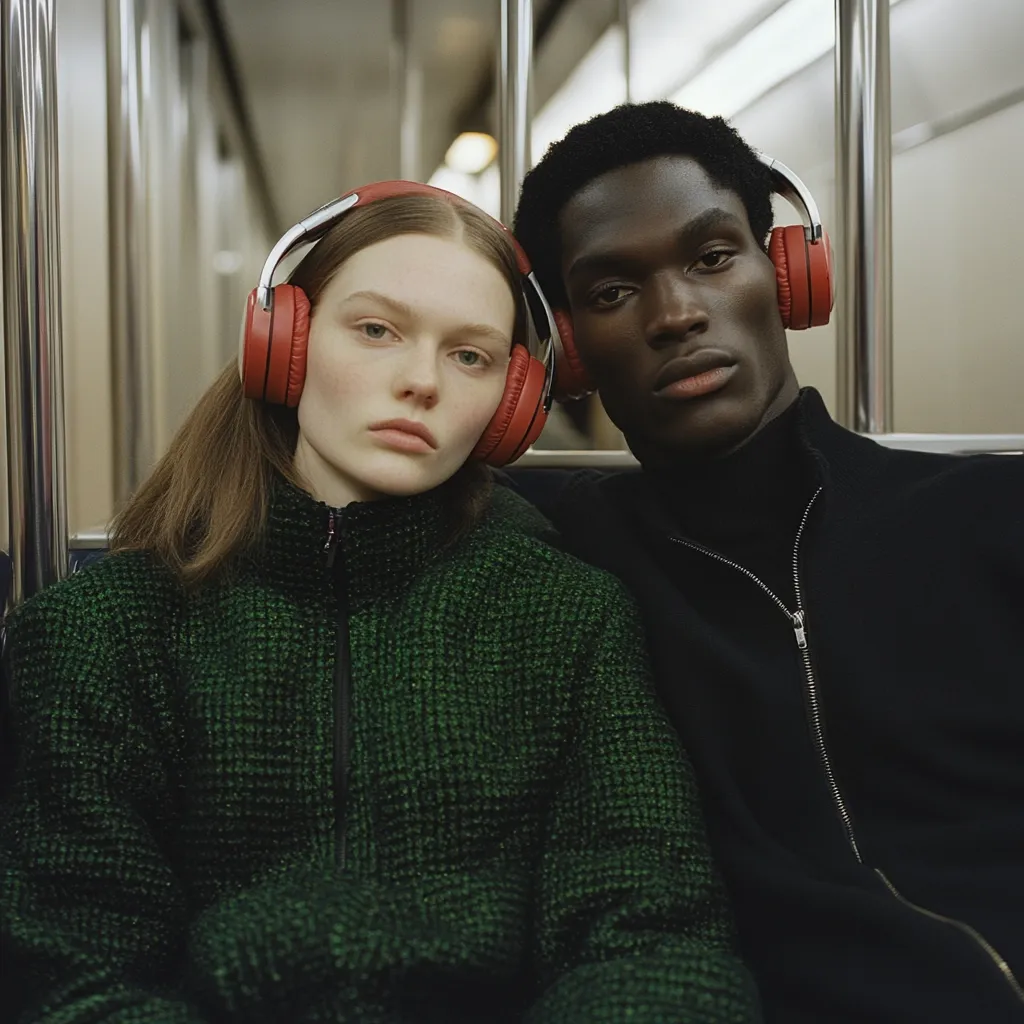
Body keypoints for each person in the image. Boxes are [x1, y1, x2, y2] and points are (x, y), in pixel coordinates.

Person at [0, 181, 759, 1023]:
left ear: (509, 405)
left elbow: (651, 939)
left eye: (469, 356)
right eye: (376, 330)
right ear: (285, 344)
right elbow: (72, 971)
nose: (421, 382)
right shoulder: (102, 634)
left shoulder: (573, 620)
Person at [510, 101, 1024, 1023]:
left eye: (713, 257)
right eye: (613, 291)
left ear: (787, 276)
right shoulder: (566, 566)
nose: (676, 314)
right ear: (570, 350)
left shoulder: (990, 515)